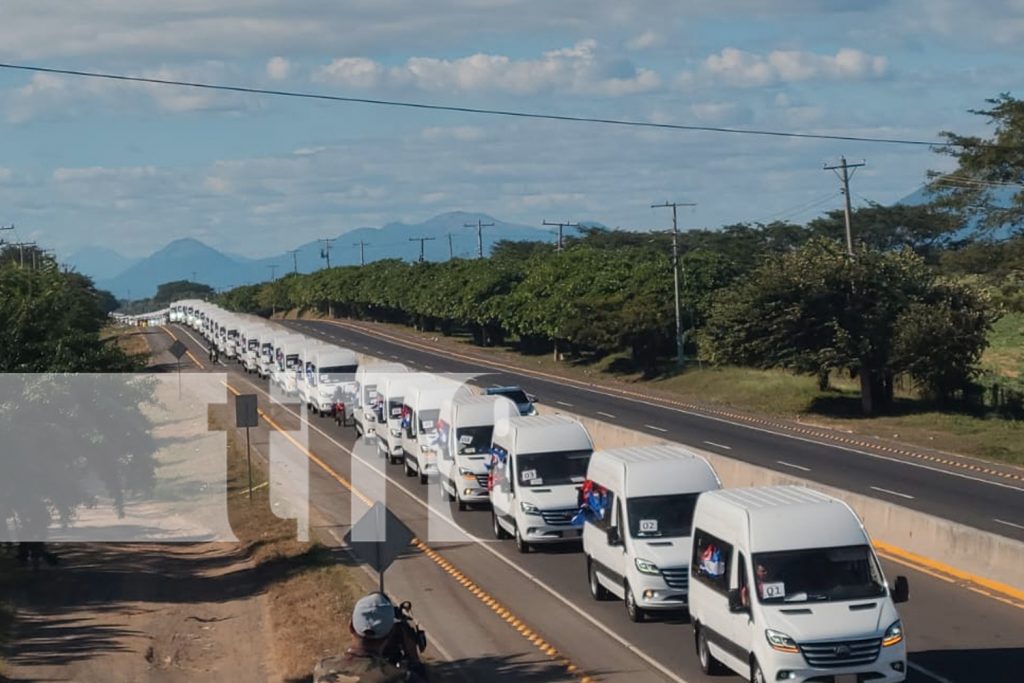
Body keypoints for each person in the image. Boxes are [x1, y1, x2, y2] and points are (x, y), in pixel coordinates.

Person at [313, 592, 424, 683]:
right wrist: (414, 660)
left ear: (351, 626)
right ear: (390, 633)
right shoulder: (399, 677)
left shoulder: (323, 668)